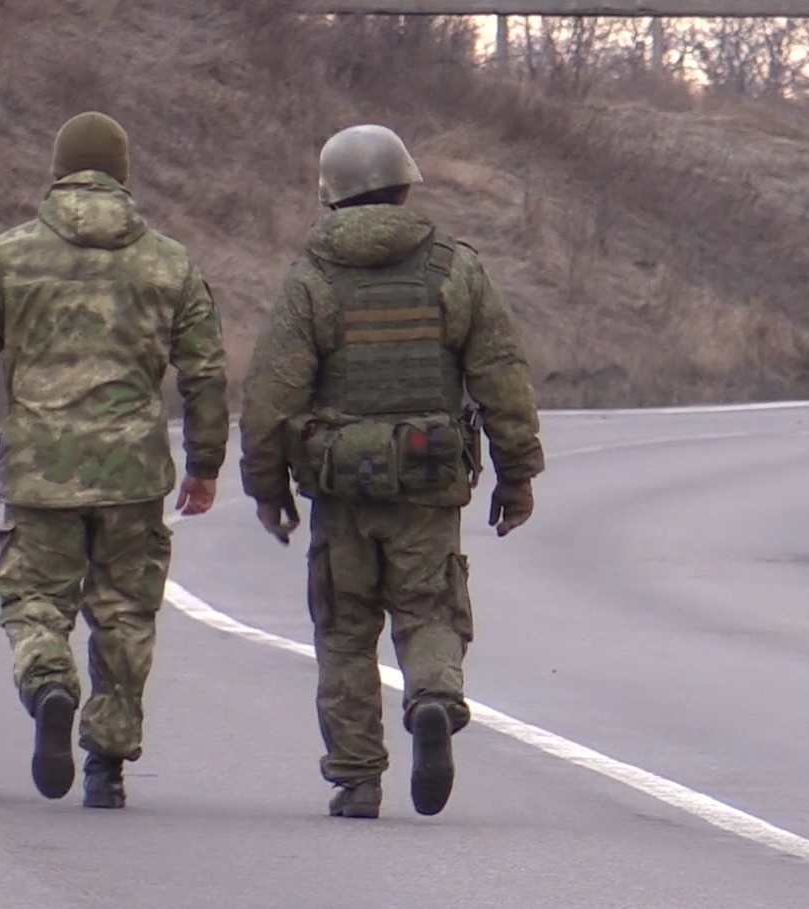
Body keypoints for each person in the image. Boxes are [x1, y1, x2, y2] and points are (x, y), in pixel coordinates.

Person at [0, 111, 231, 809]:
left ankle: (50, 681)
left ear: (58, 171)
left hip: (40, 474)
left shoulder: (7, 256)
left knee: (32, 600)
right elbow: (206, 371)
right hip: (133, 475)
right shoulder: (169, 262)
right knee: (125, 615)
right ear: (123, 174)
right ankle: (106, 766)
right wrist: (205, 462)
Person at [238, 123, 543, 819]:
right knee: (429, 606)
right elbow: (502, 376)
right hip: (428, 482)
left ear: (330, 194)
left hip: (341, 486)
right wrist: (516, 472)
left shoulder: (312, 279)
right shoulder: (453, 270)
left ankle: (356, 777)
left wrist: (267, 485)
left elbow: (270, 395)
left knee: (345, 626)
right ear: (405, 185)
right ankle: (432, 696)